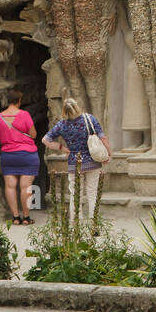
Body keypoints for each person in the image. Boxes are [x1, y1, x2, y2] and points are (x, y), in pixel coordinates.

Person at [43, 96, 109, 224]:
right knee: (92, 191)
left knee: (75, 192)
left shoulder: (62, 124)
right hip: (92, 161)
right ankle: (94, 220)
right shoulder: (89, 119)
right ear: (77, 107)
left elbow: (45, 140)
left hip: (74, 162)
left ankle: (76, 220)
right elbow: (103, 138)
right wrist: (108, 154)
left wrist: (62, 148)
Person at [0, 90, 38, 225]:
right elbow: (33, 134)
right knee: (26, 186)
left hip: (8, 155)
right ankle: (26, 217)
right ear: (19, 101)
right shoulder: (24, 115)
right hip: (27, 154)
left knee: (10, 186)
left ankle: (15, 217)